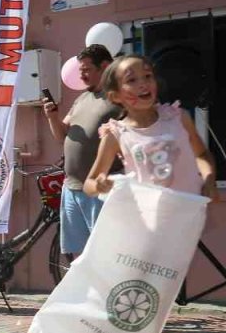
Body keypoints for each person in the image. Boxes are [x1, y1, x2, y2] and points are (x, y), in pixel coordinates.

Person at [85, 55, 218, 200]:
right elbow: (89, 183)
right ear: (116, 96)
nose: (144, 84)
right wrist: (98, 185)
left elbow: (202, 154)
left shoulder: (178, 118)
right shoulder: (117, 134)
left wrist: (209, 181)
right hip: (149, 218)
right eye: (132, 80)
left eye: (148, 76)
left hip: (190, 214)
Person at [41, 44, 120, 259]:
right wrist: (52, 117)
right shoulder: (82, 99)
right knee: (81, 255)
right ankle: (88, 293)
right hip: (72, 188)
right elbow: (61, 135)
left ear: (104, 66)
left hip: (100, 190)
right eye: (80, 70)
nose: (81, 74)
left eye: (86, 69)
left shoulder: (119, 98)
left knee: (104, 252)